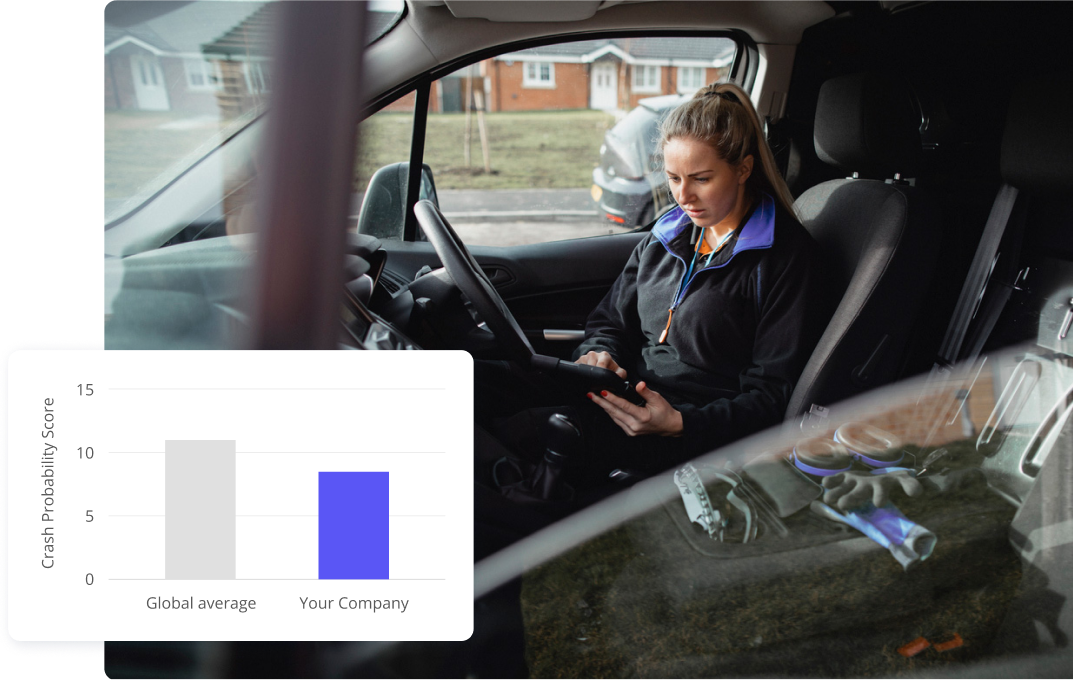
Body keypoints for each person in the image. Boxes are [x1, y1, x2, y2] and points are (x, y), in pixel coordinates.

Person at [478, 82, 829, 491]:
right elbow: (609, 320)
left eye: (701, 178)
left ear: (743, 169)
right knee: (481, 383)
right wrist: (600, 354)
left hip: (690, 428)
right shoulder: (668, 234)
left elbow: (773, 396)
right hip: (620, 394)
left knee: (516, 435)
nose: (683, 196)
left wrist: (681, 424)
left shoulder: (784, 257)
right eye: (673, 177)